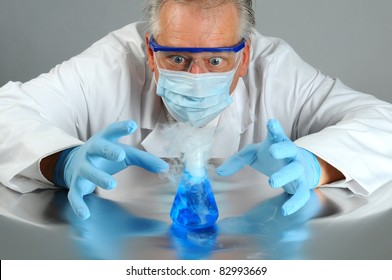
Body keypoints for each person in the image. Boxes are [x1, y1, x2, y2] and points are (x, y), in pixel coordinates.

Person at [0, 0, 391, 220]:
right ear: (151, 54)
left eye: (217, 60)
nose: (197, 75)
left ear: (245, 55)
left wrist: (316, 164)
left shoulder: (275, 69)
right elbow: (6, 110)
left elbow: (383, 123)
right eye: (178, 58)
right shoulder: (110, 64)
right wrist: (62, 161)